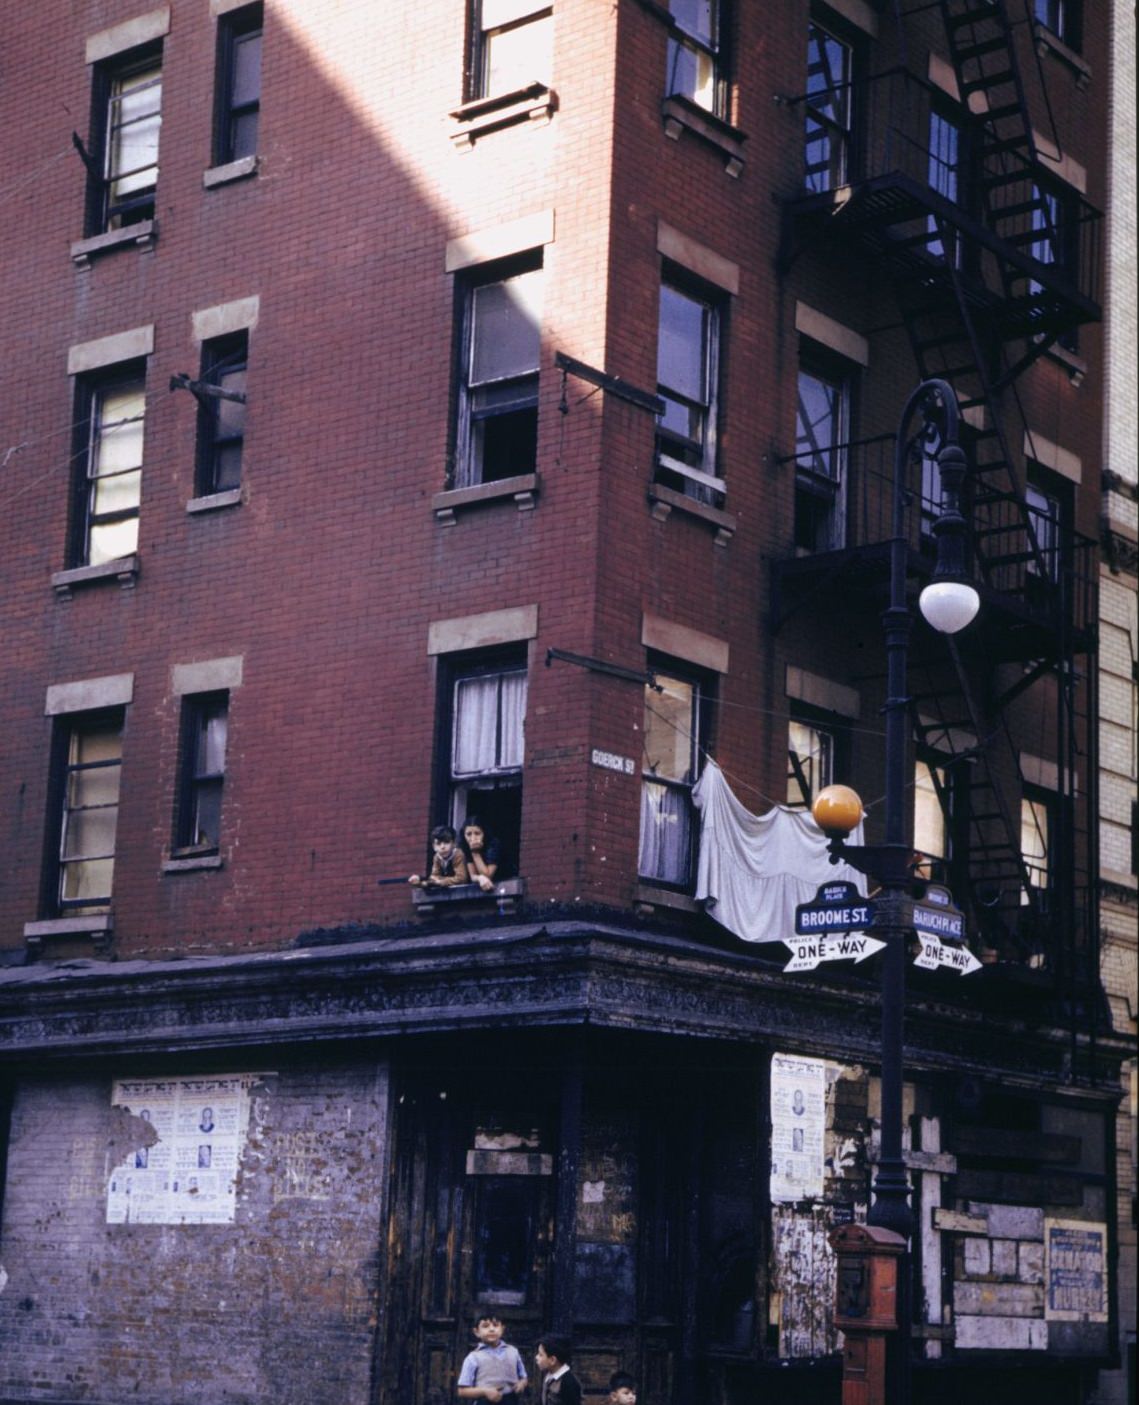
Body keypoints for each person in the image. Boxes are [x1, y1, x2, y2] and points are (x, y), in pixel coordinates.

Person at [457, 1315, 528, 1401]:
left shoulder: (513, 1352)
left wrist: (521, 1384)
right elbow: (462, 1391)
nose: (491, 1329)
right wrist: (485, 1391)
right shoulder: (473, 1358)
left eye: (495, 1325)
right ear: (476, 1332)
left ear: (502, 1329)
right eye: (485, 1326)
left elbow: (524, 1377)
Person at [535, 1336, 581, 1405]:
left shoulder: (569, 1383)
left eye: (541, 1355)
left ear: (552, 1360)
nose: (536, 1357)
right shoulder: (548, 1376)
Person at [462, 816, 500, 892]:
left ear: (484, 833)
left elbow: (488, 875)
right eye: (469, 834)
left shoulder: (493, 844)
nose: (473, 838)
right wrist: (480, 878)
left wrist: (475, 853)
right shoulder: (465, 845)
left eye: (477, 833)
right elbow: (473, 876)